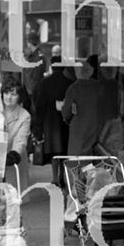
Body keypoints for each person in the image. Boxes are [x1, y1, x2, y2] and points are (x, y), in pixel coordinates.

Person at [32, 56, 72, 186]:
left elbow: (39, 104)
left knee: (54, 151)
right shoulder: (69, 83)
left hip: (49, 122)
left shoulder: (44, 83)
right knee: (64, 151)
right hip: (65, 121)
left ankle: (55, 177)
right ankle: (63, 176)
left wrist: (38, 125)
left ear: (52, 66)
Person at [61, 58, 104, 156]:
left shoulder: (74, 88)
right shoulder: (99, 87)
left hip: (79, 128)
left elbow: (66, 112)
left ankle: (82, 171)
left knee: (78, 160)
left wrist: (66, 116)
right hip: (97, 127)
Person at [1, 81, 31, 192]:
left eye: (13, 94)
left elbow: (21, 139)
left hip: (12, 159)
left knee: (11, 196)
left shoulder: (25, 116)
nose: (9, 97)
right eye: (6, 93)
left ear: (19, 97)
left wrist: (14, 155)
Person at [21, 29, 47, 113]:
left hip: (32, 91)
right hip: (33, 90)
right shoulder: (40, 55)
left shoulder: (35, 57)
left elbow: (31, 75)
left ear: (29, 43)